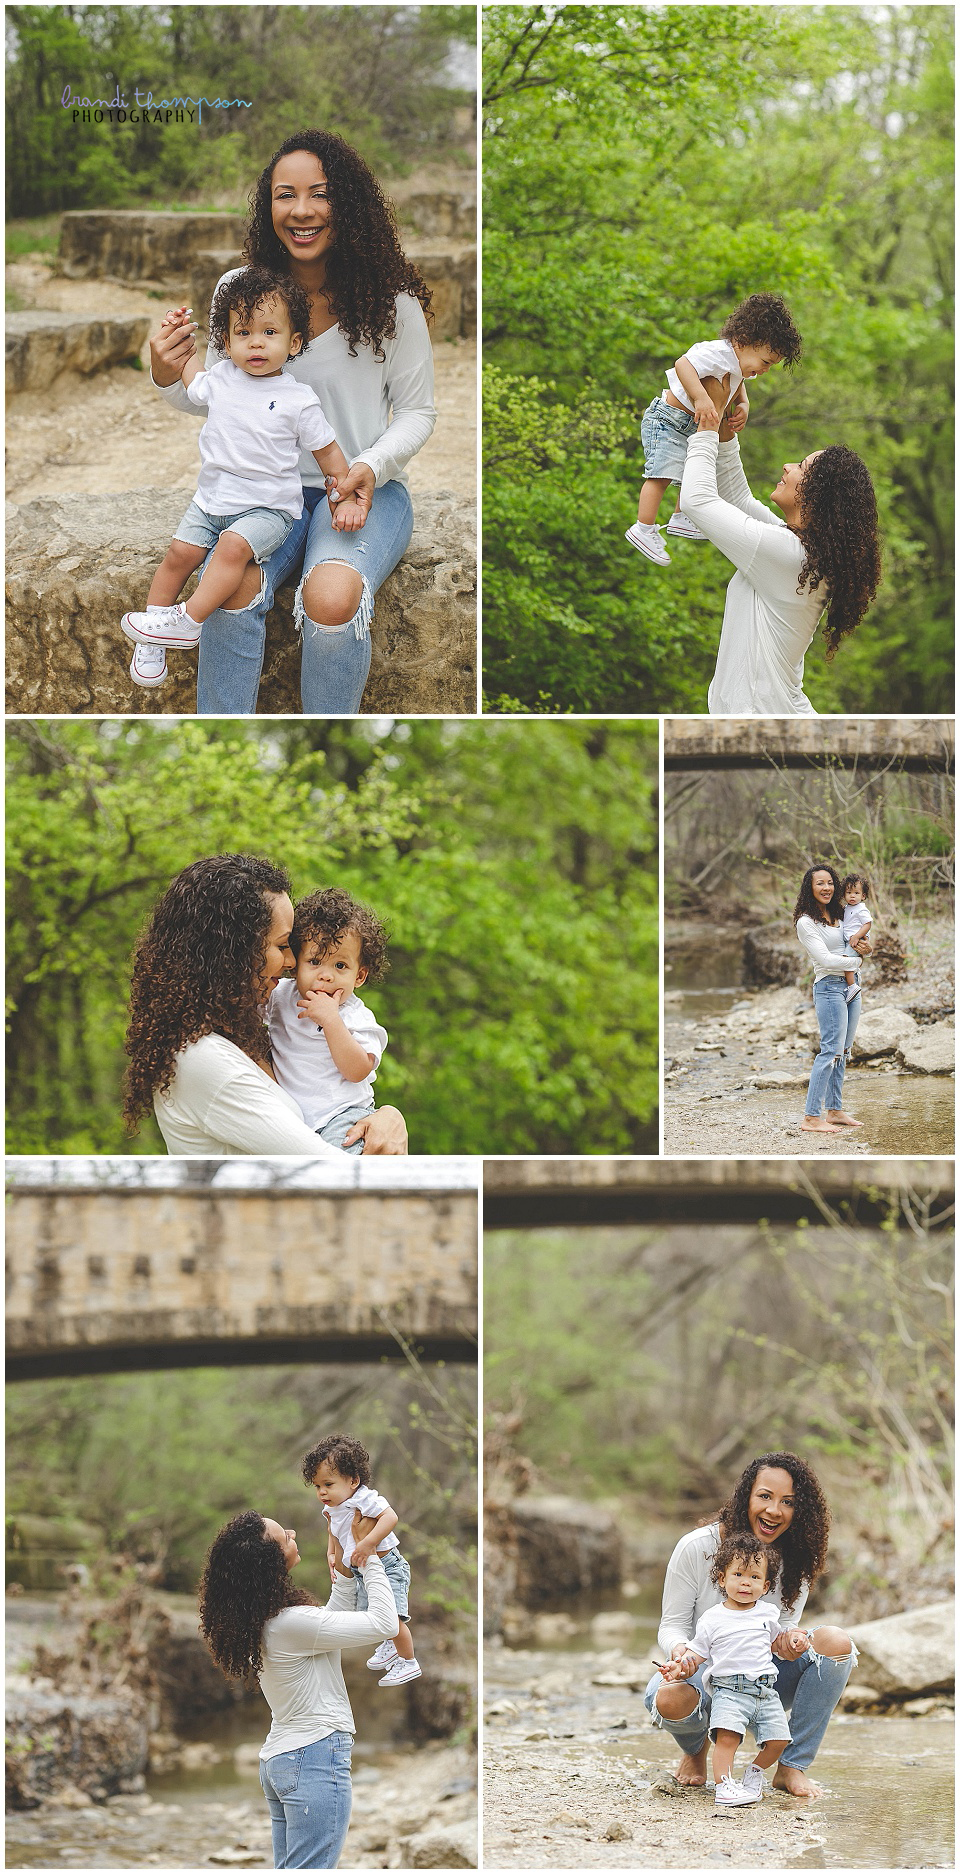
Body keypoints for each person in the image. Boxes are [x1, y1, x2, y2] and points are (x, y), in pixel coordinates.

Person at [149, 129, 436, 716]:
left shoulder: (394, 302)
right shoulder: (240, 290)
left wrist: (369, 466)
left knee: (332, 596)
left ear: (348, 203)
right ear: (268, 205)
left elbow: (417, 414)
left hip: (357, 491)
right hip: (258, 496)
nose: (301, 211)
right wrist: (165, 371)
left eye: (319, 194)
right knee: (232, 581)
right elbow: (209, 397)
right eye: (285, 195)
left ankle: (326, 742)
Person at [123, 269, 365, 689]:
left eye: (269, 332)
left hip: (269, 510)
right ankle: (152, 639)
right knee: (179, 555)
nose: (256, 342)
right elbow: (191, 374)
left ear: (293, 343)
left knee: (232, 548)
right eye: (243, 331)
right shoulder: (220, 381)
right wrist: (179, 333)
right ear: (227, 342)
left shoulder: (298, 400)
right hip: (210, 501)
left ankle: (189, 620)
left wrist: (342, 496)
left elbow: (328, 451)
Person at [123, 853, 407, 1155]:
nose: (290, 963)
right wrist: (392, 1121)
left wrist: (387, 1115)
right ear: (233, 953)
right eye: (283, 946)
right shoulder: (204, 1061)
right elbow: (326, 1170)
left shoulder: (242, 1034)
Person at [644, 1452, 858, 1798]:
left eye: (787, 1502)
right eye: (765, 1496)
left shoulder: (797, 1559)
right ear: (746, 1496)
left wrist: (790, 1642)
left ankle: (791, 1767)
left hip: (758, 1678)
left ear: (799, 1511)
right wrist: (680, 1652)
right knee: (668, 1698)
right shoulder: (697, 1547)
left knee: (835, 1641)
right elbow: (672, 1625)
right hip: (700, 1672)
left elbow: (785, 1627)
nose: (774, 1510)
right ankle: (695, 1750)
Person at [199, 1508, 398, 1868]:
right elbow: (385, 1624)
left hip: (285, 1759)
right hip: (313, 1756)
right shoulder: (289, 1623)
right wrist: (371, 1559)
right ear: (270, 1561)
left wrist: (343, 1572)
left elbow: (329, 1627)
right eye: (284, 1536)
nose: (292, 1532)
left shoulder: (268, 1621)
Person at [679, 402, 882, 715]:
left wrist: (705, 431)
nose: (788, 466)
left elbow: (697, 502)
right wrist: (725, 428)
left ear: (817, 494)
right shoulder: (803, 555)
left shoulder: (790, 557)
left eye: (801, 466)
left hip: (762, 721)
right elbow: (738, 498)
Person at [626, 293, 803, 565]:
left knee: (692, 473)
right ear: (744, 341)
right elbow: (682, 364)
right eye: (766, 362)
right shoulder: (717, 352)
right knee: (661, 474)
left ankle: (681, 517)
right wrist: (701, 397)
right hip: (668, 419)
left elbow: (737, 385)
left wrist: (743, 406)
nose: (766, 370)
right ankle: (643, 527)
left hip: (689, 425)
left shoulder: (738, 365)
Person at [658, 1531, 791, 1808]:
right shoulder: (713, 1618)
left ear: (766, 1586)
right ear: (722, 1579)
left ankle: (754, 1773)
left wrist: (795, 1640)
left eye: (755, 1577)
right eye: (738, 1575)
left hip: (766, 1691)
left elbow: (778, 1643)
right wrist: (679, 1666)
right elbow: (696, 1652)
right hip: (730, 1690)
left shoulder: (767, 1613)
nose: (746, 1583)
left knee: (779, 1740)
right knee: (727, 1740)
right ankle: (724, 1787)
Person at [267, 887, 389, 1156]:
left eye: (340, 966)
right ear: (295, 964)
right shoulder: (280, 996)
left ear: (359, 977)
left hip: (343, 1115)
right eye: (314, 961)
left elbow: (357, 1071)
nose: (326, 976)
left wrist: (332, 1021)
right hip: (297, 1122)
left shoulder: (355, 1017)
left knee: (338, 1166)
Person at [303, 1433, 421, 1689]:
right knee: (371, 1614)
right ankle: (390, 1646)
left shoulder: (363, 1499)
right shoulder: (333, 1506)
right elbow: (333, 1530)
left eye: (328, 1484)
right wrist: (331, 1552)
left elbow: (390, 1518)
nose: (322, 1492)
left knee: (393, 1618)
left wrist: (367, 1543)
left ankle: (409, 1661)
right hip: (362, 1572)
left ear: (353, 1481)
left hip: (388, 1567)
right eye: (317, 1486)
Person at [795, 863, 869, 1136]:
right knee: (830, 1051)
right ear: (809, 888)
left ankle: (835, 1110)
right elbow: (825, 959)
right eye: (819, 884)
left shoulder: (841, 912)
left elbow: (856, 942)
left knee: (844, 1051)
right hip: (828, 987)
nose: (826, 888)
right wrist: (857, 960)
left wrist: (866, 949)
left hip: (852, 986)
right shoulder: (806, 922)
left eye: (829, 883)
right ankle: (811, 1117)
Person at [840, 873, 873, 1004]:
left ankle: (852, 986)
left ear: (863, 896)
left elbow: (868, 924)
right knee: (847, 961)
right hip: (851, 939)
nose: (852, 896)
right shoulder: (847, 908)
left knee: (846, 961)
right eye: (849, 892)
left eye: (856, 893)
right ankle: (852, 985)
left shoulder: (861, 909)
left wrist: (857, 936)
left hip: (857, 940)